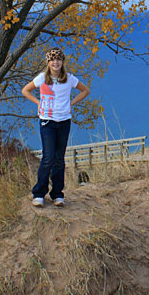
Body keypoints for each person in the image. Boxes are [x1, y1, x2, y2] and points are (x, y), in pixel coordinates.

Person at [22, 48, 90, 207]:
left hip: (64, 121)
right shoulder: (42, 79)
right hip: (47, 121)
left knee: (59, 159)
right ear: (48, 62)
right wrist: (38, 103)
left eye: (58, 59)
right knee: (48, 158)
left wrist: (71, 103)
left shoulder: (69, 79)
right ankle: (39, 193)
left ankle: (57, 194)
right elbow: (25, 90)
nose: (55, 62)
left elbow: (85, 90)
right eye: (52, 59)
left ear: (62, 62)